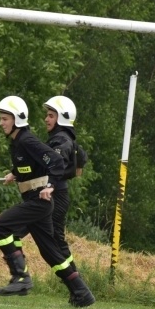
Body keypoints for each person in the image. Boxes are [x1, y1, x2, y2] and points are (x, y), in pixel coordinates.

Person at [0, 95, 95, 307]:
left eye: (4, 118)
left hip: (40, 200)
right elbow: (37, 165)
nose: (0, 123)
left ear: (16, 119)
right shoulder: (20, 141)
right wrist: (16, 173)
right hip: (40, 199)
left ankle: (21, 277)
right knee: (50, 251)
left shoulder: (32, 139)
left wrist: (51, 185)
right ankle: (81, 292)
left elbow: (55, 160)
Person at [43, 95, 88, 280]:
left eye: (51, 115)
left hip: (55, 193)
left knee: (55, 239)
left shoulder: (61, 140)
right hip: (59, 192)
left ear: (62, 118)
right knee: (56, 239)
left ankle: (75, 282)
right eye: (47, 115)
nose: (46, 119)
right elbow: (80, 164)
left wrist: (52, 182)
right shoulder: (67, 139)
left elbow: (56, 163)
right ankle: (75, 282)